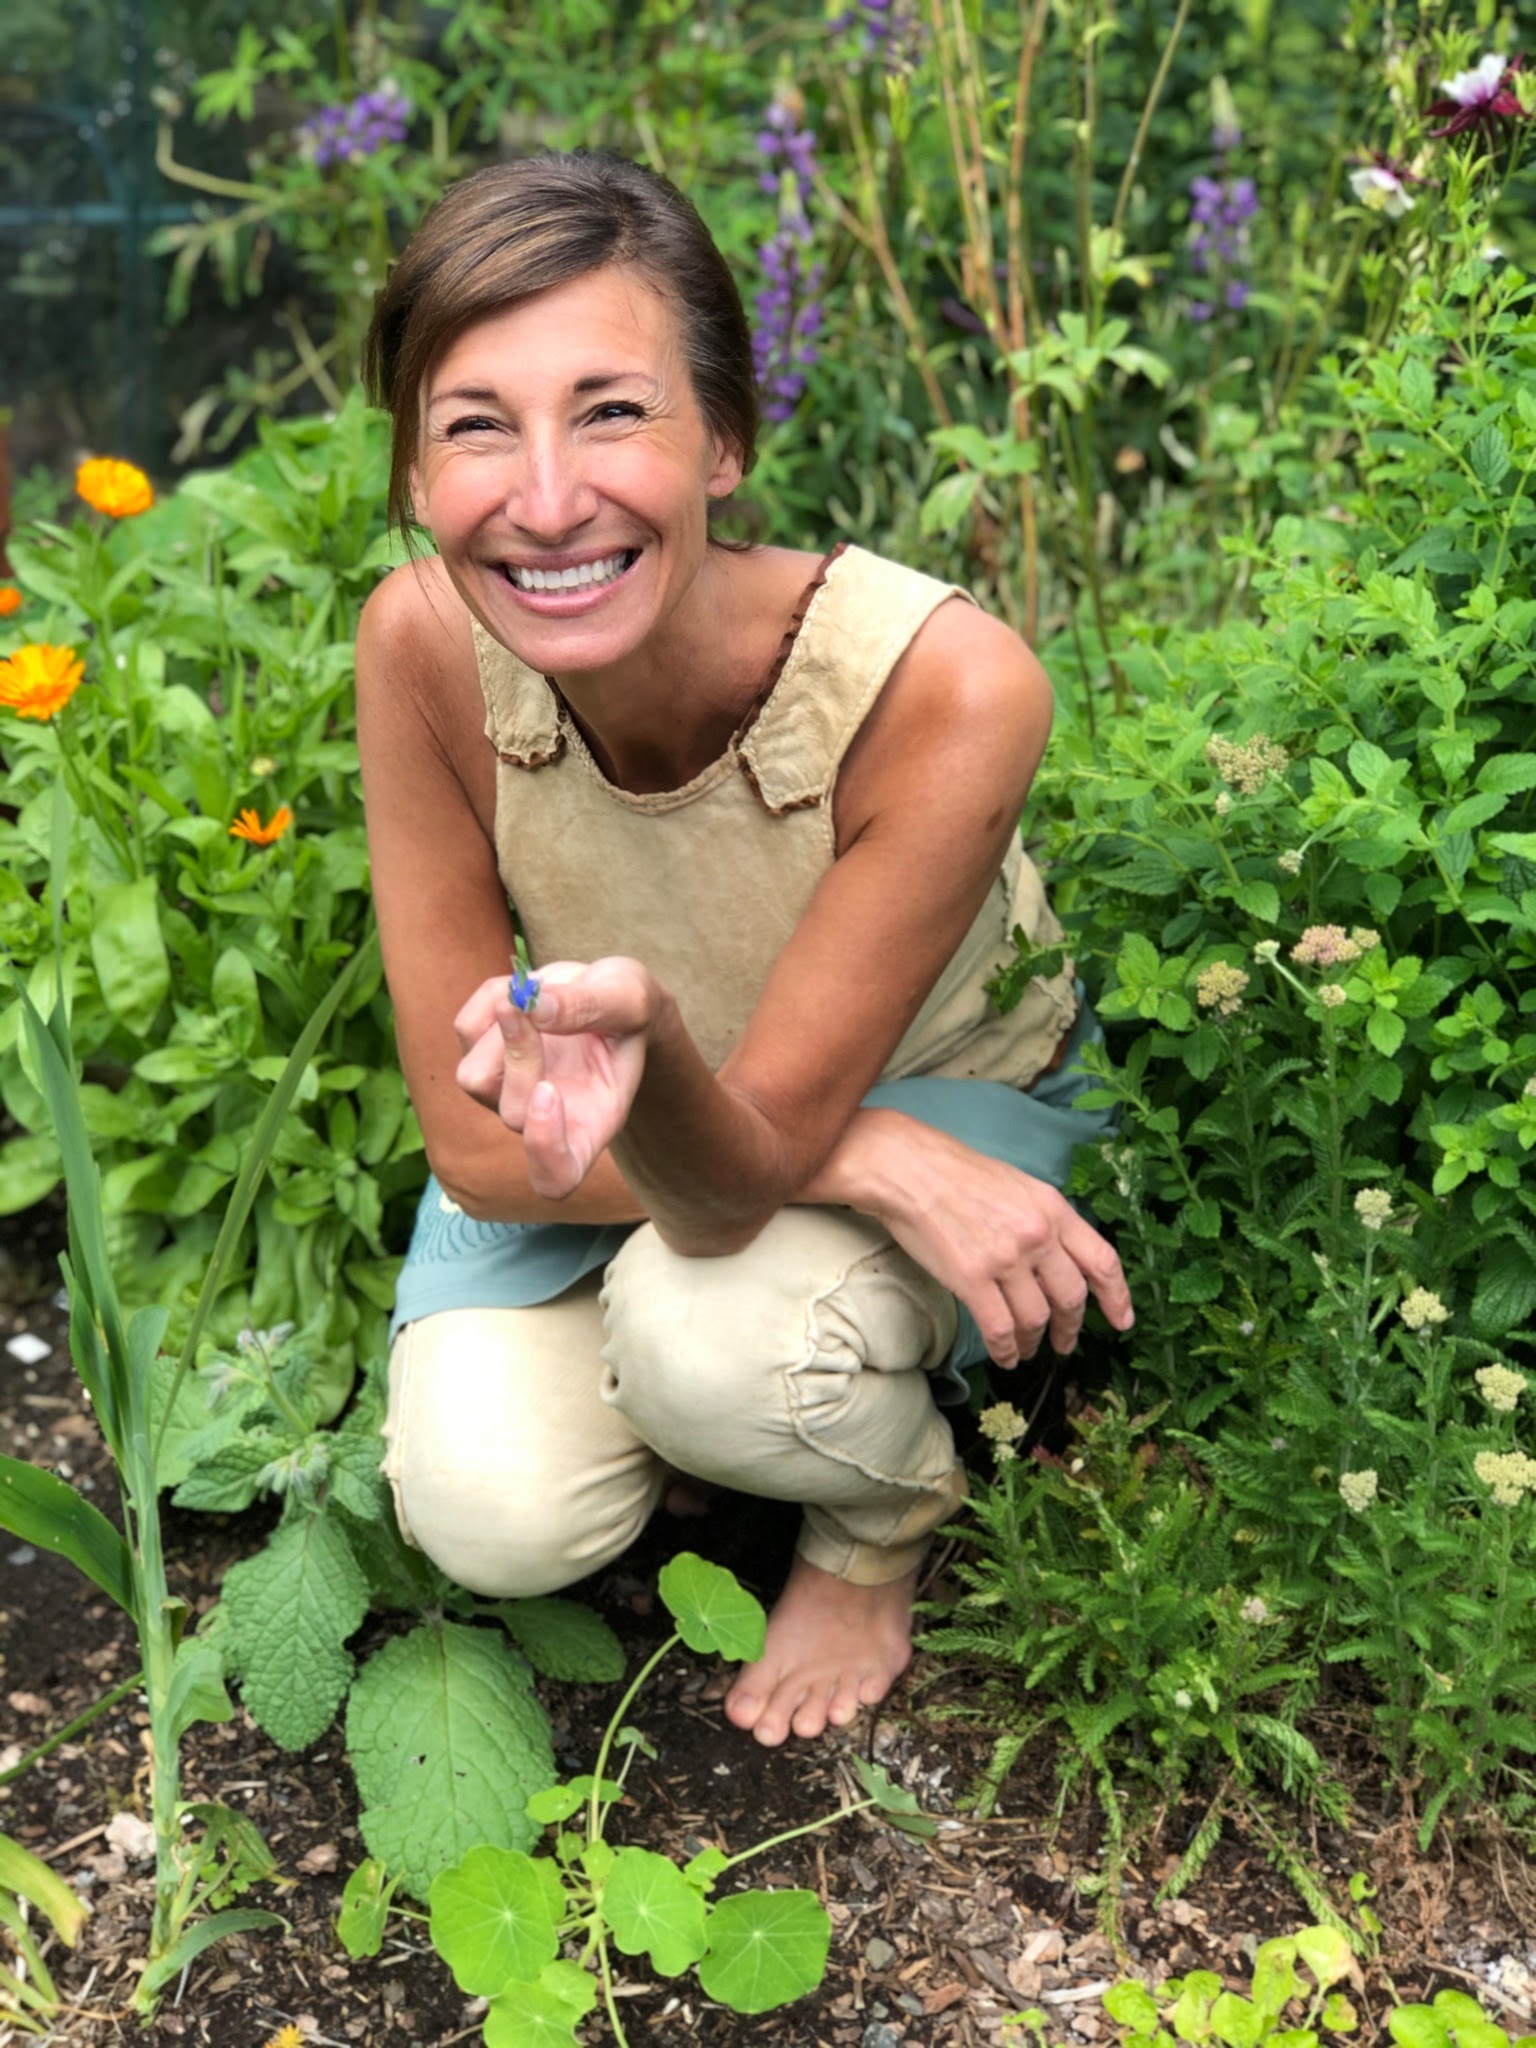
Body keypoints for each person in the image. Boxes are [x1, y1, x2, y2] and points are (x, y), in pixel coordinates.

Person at [355, 150, 1134, 1750]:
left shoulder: (942, 686)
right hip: (608, 1139)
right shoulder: (421, 647)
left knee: (721, 1345)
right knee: (488, 1510)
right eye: (475, 425)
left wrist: (879, 1142)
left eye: (613, 411)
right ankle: (754, 1390)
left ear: (727, 439)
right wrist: (873, 1170)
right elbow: (473, 1146)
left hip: (934, 1088)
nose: (549, 498)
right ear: (415, 474)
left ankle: (873, 1527)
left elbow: (761, 1128)